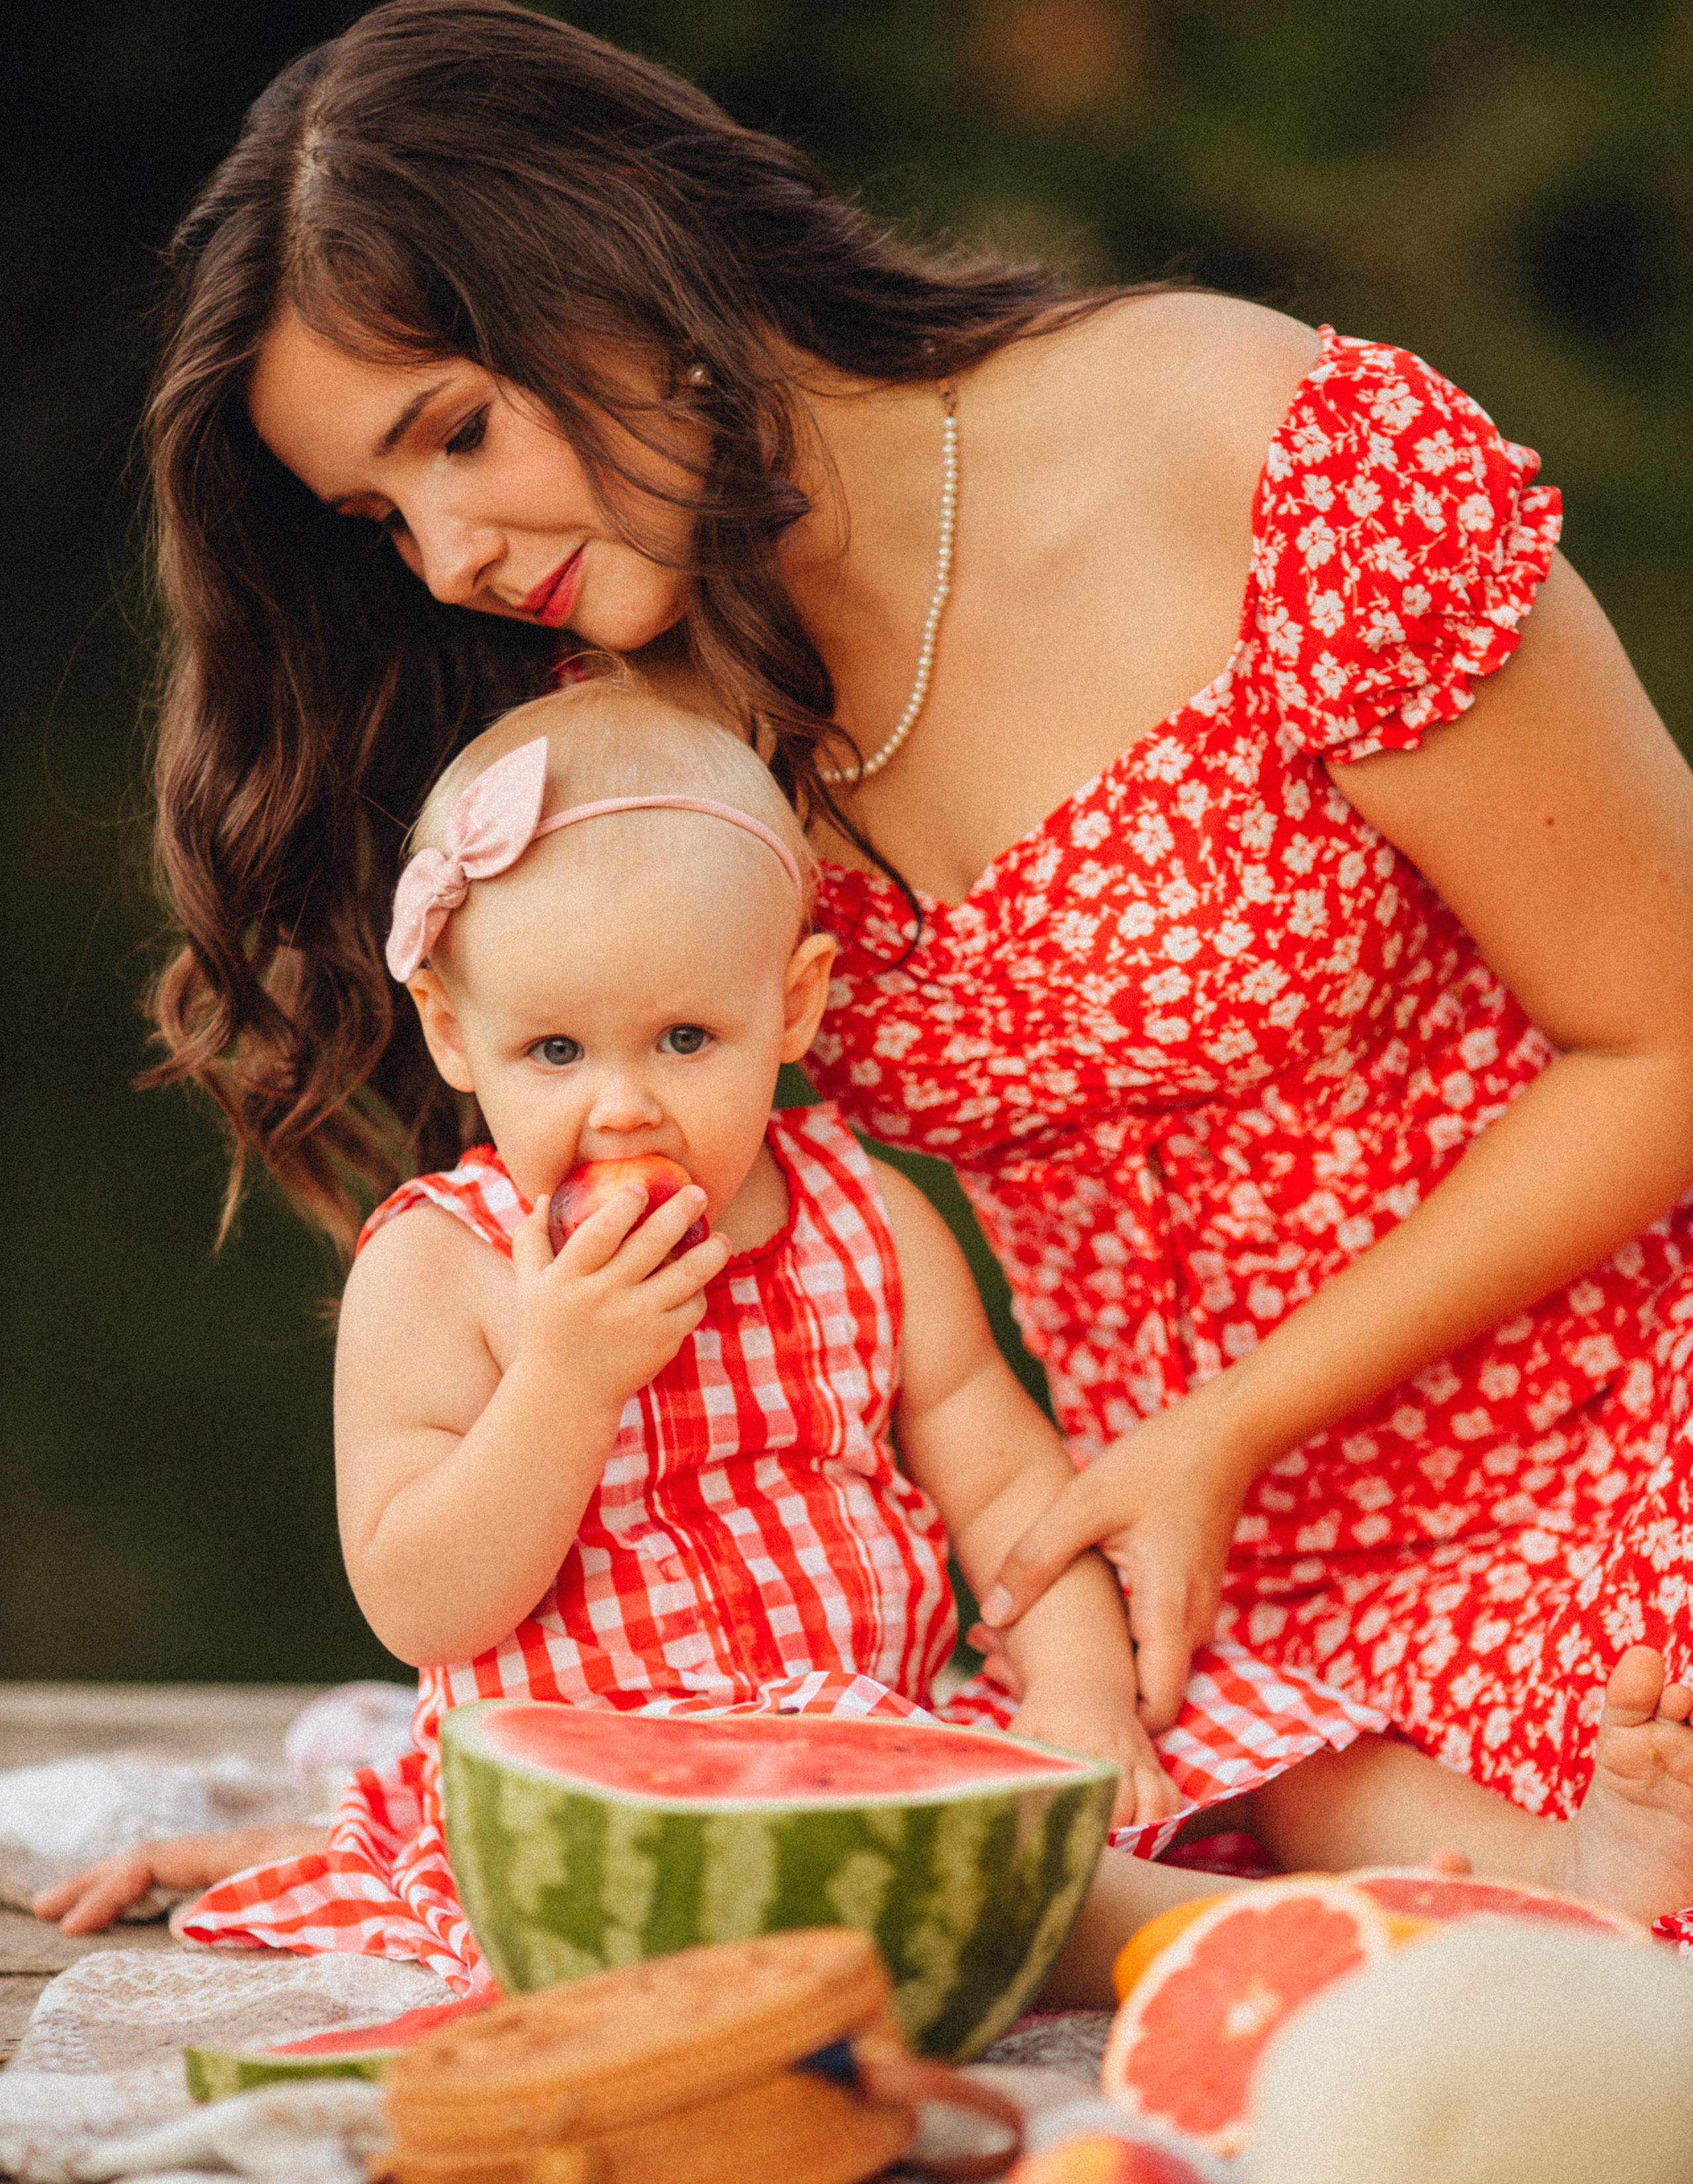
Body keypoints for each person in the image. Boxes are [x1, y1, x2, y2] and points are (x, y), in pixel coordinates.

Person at [110, 0, 1693, 1940]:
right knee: (997, 1902)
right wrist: (462, 1824)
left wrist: (1222, 1436)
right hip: (1148, 1592)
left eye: (455, 431)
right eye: (380, 512)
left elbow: (1666, 1036)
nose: (442, 553)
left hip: (1610, 1426)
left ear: (620, 259)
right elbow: (694, 1394)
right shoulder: (638, 748)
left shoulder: (1260, 450)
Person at [38, 685, 1693, 1988]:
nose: (622, 1101)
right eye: (553, 1050)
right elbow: (421, 1595)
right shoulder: (450, 1273)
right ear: (455, 1036)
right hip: (640, 1796)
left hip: (902, 1722)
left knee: (1250, 1739)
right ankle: (1259, 1945)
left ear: (799, 1011)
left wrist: (1078, 1703)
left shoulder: (858, 1218)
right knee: (979, 1875)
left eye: (686, 1036)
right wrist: (564, 1379)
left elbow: (1008, 1494)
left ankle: (1550, 1866)